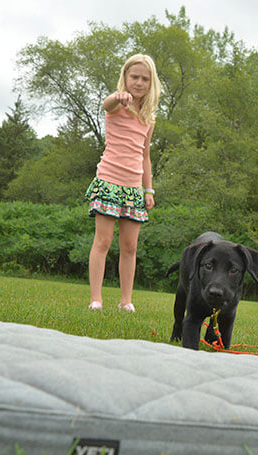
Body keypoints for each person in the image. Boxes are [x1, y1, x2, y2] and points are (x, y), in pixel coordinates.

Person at [85, 54, 160, 312]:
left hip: (133, 188)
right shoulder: (118, 105)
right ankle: (96, 299)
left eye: (144, 79)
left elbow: (145, 155)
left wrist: (147, 189)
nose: (139, 83)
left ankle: (126, 301)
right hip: (109, 181)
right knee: (103, 241)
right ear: (125, 78)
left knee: (130, 246)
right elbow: (106, 105)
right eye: (134, 77)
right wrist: (118, 97)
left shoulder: (148, 117)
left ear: (151, 83)